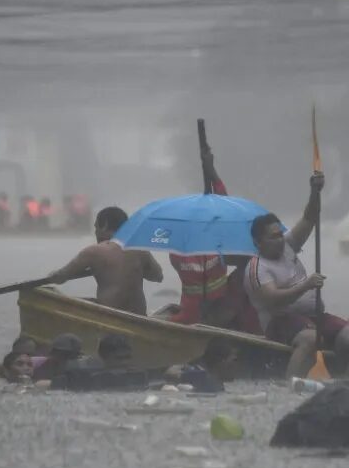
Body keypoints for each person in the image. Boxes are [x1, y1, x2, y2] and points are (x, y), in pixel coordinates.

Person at [243, 171, 349, 380]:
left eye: (280, 234)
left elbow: (310, 217)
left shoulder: (289, 245)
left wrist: (315, 191)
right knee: (309, 338)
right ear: (258, 242)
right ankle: (291, 385)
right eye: (273, 237)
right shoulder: (257, 267)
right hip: (279, 322)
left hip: (314, 316)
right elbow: (271, 299)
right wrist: (305, 287)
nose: (280, 240)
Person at [166, 147, 239, 327]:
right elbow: (223, 208)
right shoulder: (177, 250)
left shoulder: (213, 242)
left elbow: (224, 206)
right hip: (192, 314)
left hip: (219, 310)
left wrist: (211, 170)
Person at [47, 206, 164, 315]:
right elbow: (158, 276)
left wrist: (53, 275)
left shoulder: (92, 252)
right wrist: (136, 269)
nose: (95, 232)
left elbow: (61, 277)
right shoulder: (140, 249)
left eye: (96, 227)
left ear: (105, 226)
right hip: (139, 317)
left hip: (109, 316)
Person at [167, 338, 239, 393]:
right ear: (221, 362)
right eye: (234, 360)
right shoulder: (206, 381)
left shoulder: (214, 383)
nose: (237, 366)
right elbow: (170, 374)